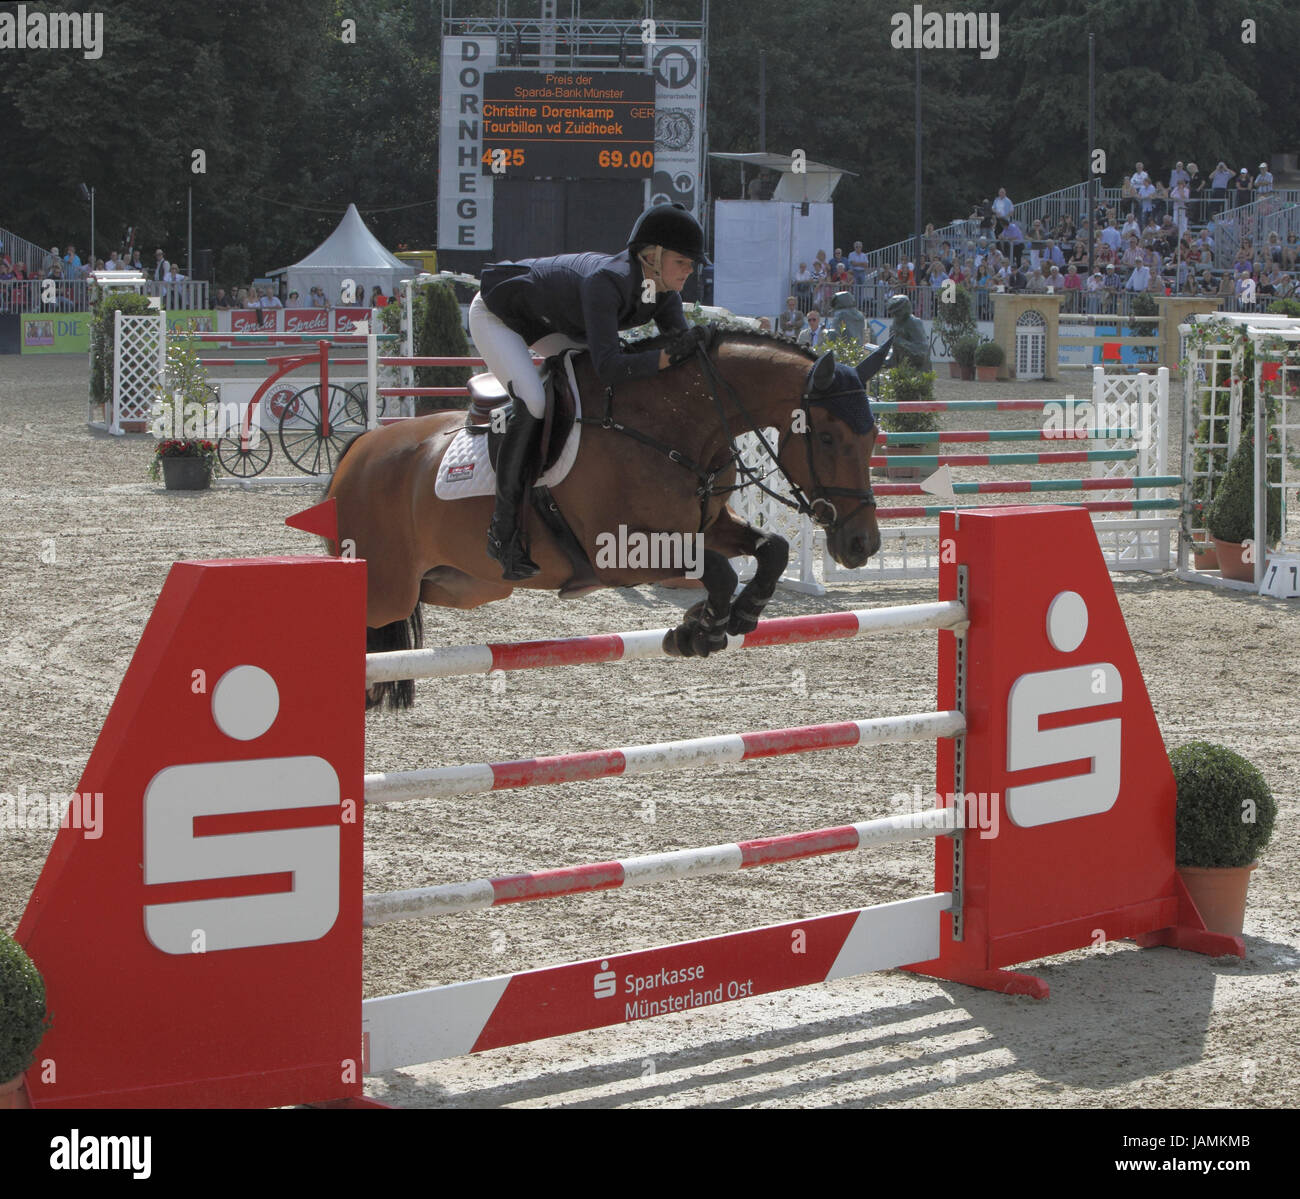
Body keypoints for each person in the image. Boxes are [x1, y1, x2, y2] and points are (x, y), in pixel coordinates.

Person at [470, 202, 709, 581]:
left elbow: (677, 349)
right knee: (533, 401)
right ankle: (503, 531)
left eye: (692, 263)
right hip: (500, 316)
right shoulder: (606, 282)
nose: (690, 270)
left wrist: (701, 347)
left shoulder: (663, 292)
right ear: (653, 256)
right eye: (683, 261)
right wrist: (664, 359)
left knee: (589, 391)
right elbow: (611, 366)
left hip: (548, 322)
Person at [884, 294, 930, 370]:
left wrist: (900, 342)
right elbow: (895, 353)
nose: (895, 315)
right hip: (902, 369)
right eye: (893, 313)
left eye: (897, 312)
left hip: (917, 370)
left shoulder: (914, 323)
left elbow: (922, 353)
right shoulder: (894, 325)